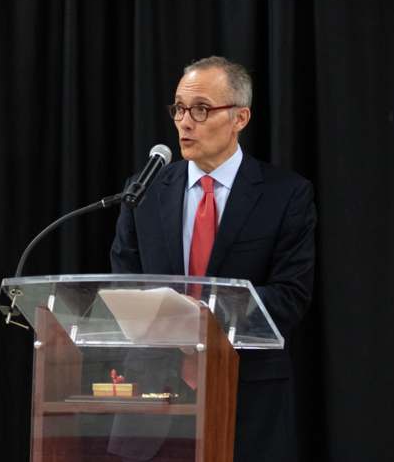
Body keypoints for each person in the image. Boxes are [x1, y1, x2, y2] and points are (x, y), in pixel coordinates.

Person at [110, 56, 316, 462]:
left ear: (240, 118)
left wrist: (201, 317)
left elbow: (290, 295)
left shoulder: (285, 195)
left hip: (245, 396)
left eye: (202, 109)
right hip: (154, 394)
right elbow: (126, 283)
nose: (185, 122)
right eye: (179, 108)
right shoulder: (143, 191)